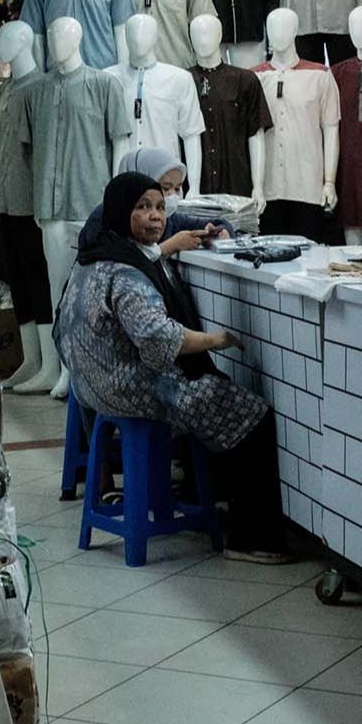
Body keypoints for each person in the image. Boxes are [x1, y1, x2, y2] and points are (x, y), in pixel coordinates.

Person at [55, 171, 291, 563]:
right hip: (134, 388)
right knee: (254, 417)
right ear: (119, 211)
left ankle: (204, 496)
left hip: (94, 388)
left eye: (161, 207)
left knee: (219, 398)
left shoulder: (97, 255)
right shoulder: (127, 273)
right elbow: (161, 340)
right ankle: (253, 539)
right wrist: (220, 339)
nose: (156, 217)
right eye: (143, 207)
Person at [79, 146, 234, 260]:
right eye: (165, 188)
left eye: (178, 188)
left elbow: (220, 223)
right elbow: (117, 263)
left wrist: (217, 232)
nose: (172, 195)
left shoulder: (169, 218)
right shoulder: (104, 218)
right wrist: (169, 246)